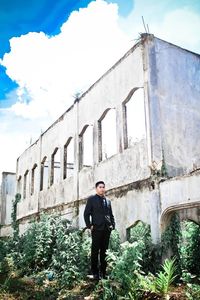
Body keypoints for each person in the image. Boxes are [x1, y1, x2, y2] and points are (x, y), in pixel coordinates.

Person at [84, 181, 115, 280]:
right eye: (100, 187)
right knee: (95, 251)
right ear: (96, 189)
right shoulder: (91, 199)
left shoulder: (108, 201)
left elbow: (110, 214)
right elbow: (86, 214)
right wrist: (89, 225)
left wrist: (112, 225)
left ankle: (104, 272)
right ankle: (95, 273)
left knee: (104, 251)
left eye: (103, 187)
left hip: (106, 229)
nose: (102, 189)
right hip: (96, 228)